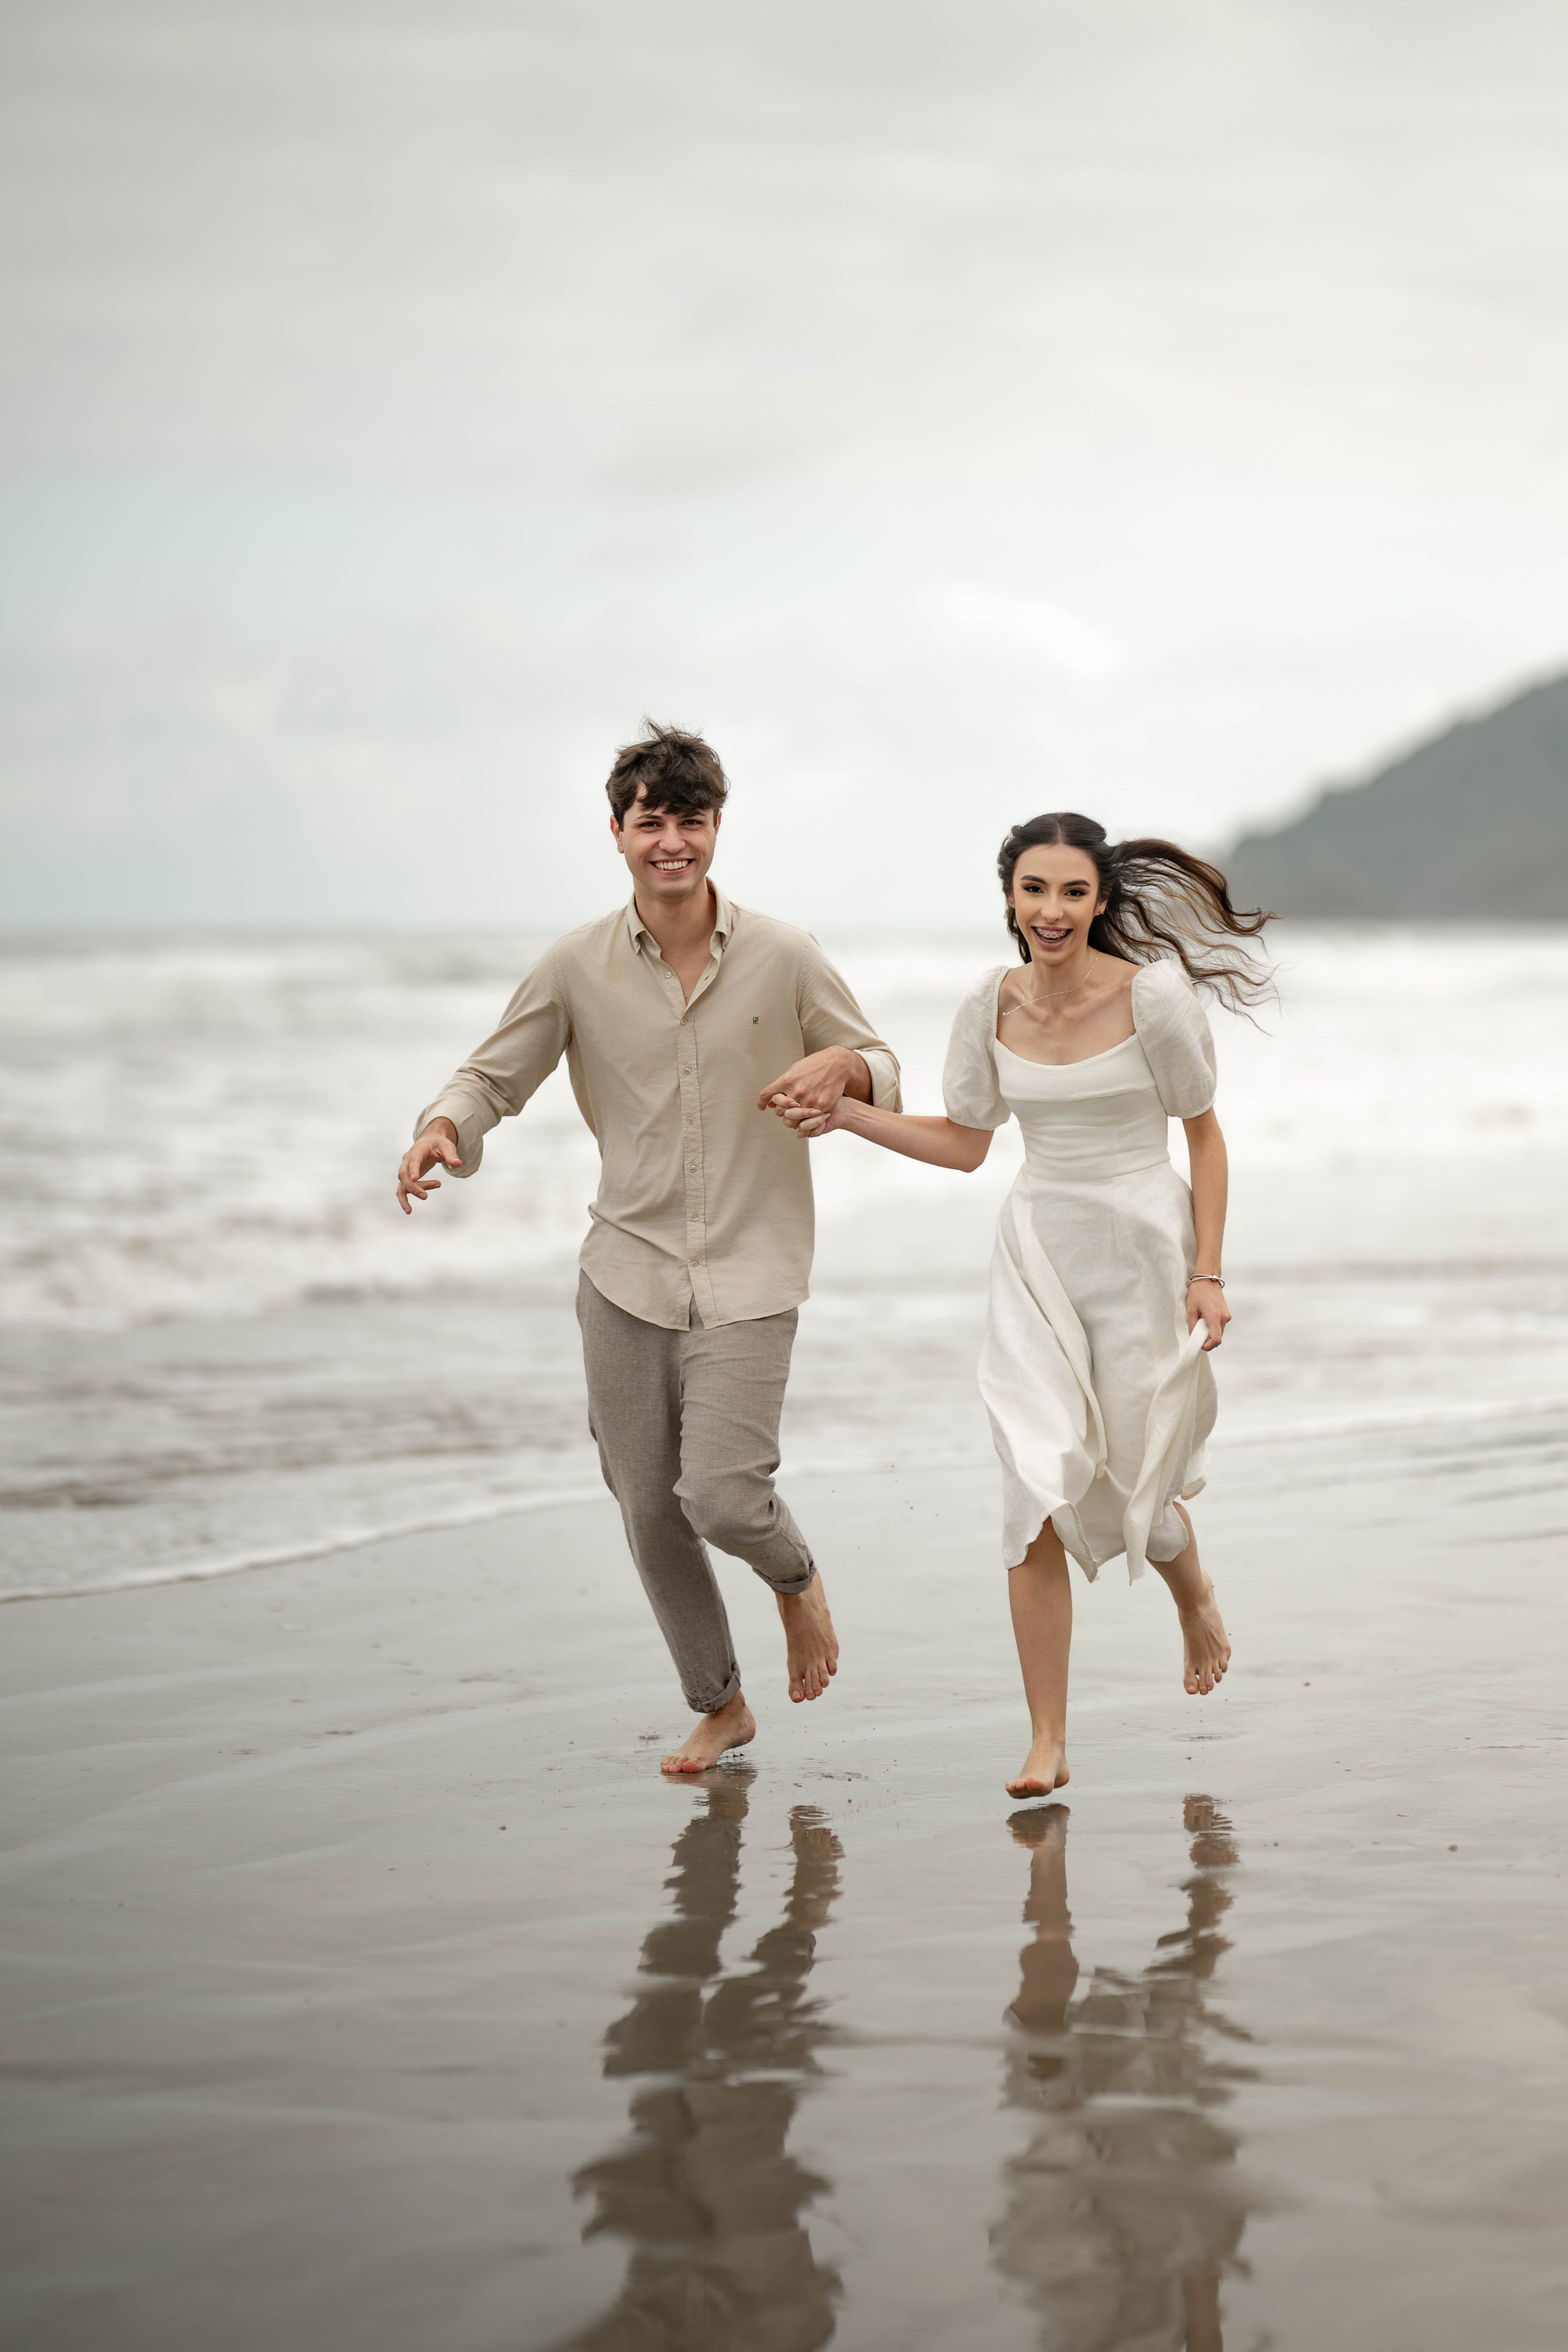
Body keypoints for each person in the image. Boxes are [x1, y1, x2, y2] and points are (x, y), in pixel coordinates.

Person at [396, 723, 900, 1776]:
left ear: (718, 828)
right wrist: (445, 1128)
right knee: (647, 1505)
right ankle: (720, 1704)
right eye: (651, 822)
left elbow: (880, 1061)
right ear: (618, 833)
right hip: (623, 1272)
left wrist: (843, 1065)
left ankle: (797, 1581)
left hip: (755, 1267)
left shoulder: (785, 953)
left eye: (692, 820)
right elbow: (493, 1077)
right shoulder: (574, 966)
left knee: (718, 1494)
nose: (673, 841)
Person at [767, 812, 1272, 1800]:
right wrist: (848, 1114)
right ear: (1010, 897)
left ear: (1100, 902)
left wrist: (1208, 1273)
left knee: (1130, 1489)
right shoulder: (986, 1008)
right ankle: (1048, 1738)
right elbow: (966, 1142)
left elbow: (1204, 1138)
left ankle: (1194, 1593)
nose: (1051, 911)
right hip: (1038, 1255)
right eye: (1034, 890)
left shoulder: (1155, 1001)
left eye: (1073, 893)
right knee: (1037, 1491)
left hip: (1139, 1252)